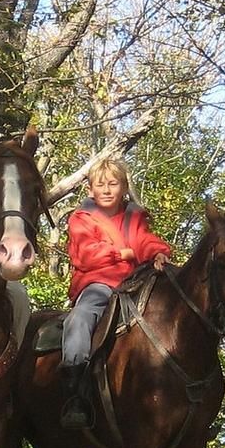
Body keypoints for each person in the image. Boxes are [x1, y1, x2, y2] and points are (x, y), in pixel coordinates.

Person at [59, 155, 173, 430]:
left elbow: (143, 240)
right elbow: (86, 254)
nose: (107, 190)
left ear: (123, 187)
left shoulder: (134, 216)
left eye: (113, 184)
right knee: (81, 318)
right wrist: (123, 252)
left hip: (135, 282)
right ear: (90, 190)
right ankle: (75, 389)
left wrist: (158, 253)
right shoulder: (81, 219)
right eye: (101, 185)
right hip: (98, 283)